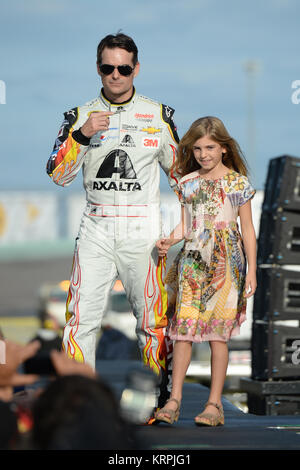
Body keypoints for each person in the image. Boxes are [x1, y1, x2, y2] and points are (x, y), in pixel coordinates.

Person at [46, 33, 179, 411]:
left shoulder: (158, 114)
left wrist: (191, 227)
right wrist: (83, 135)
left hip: (144, 228)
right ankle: (78, 402)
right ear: (99, 69)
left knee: (152, 322)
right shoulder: (78, 115)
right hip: (96, 226)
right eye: (108, 68)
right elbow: (58, 173)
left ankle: (155, 399)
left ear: (136, 69)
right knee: (79, 320)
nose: (116, 75)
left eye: (123, 68)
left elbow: (184, 175)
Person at [154, 116, 257, 426]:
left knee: (217, 337)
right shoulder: (187, 182)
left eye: (210, 147)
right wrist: (169, 240)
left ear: (224, 148)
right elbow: (187, 225)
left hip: (226, 262)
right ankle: (174, 400)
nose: (203, 154)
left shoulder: (238, 183)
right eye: (197, 148)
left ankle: (214, 405)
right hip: (192, 261)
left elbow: (248, 230)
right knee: (182, 333)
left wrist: (251, 271)